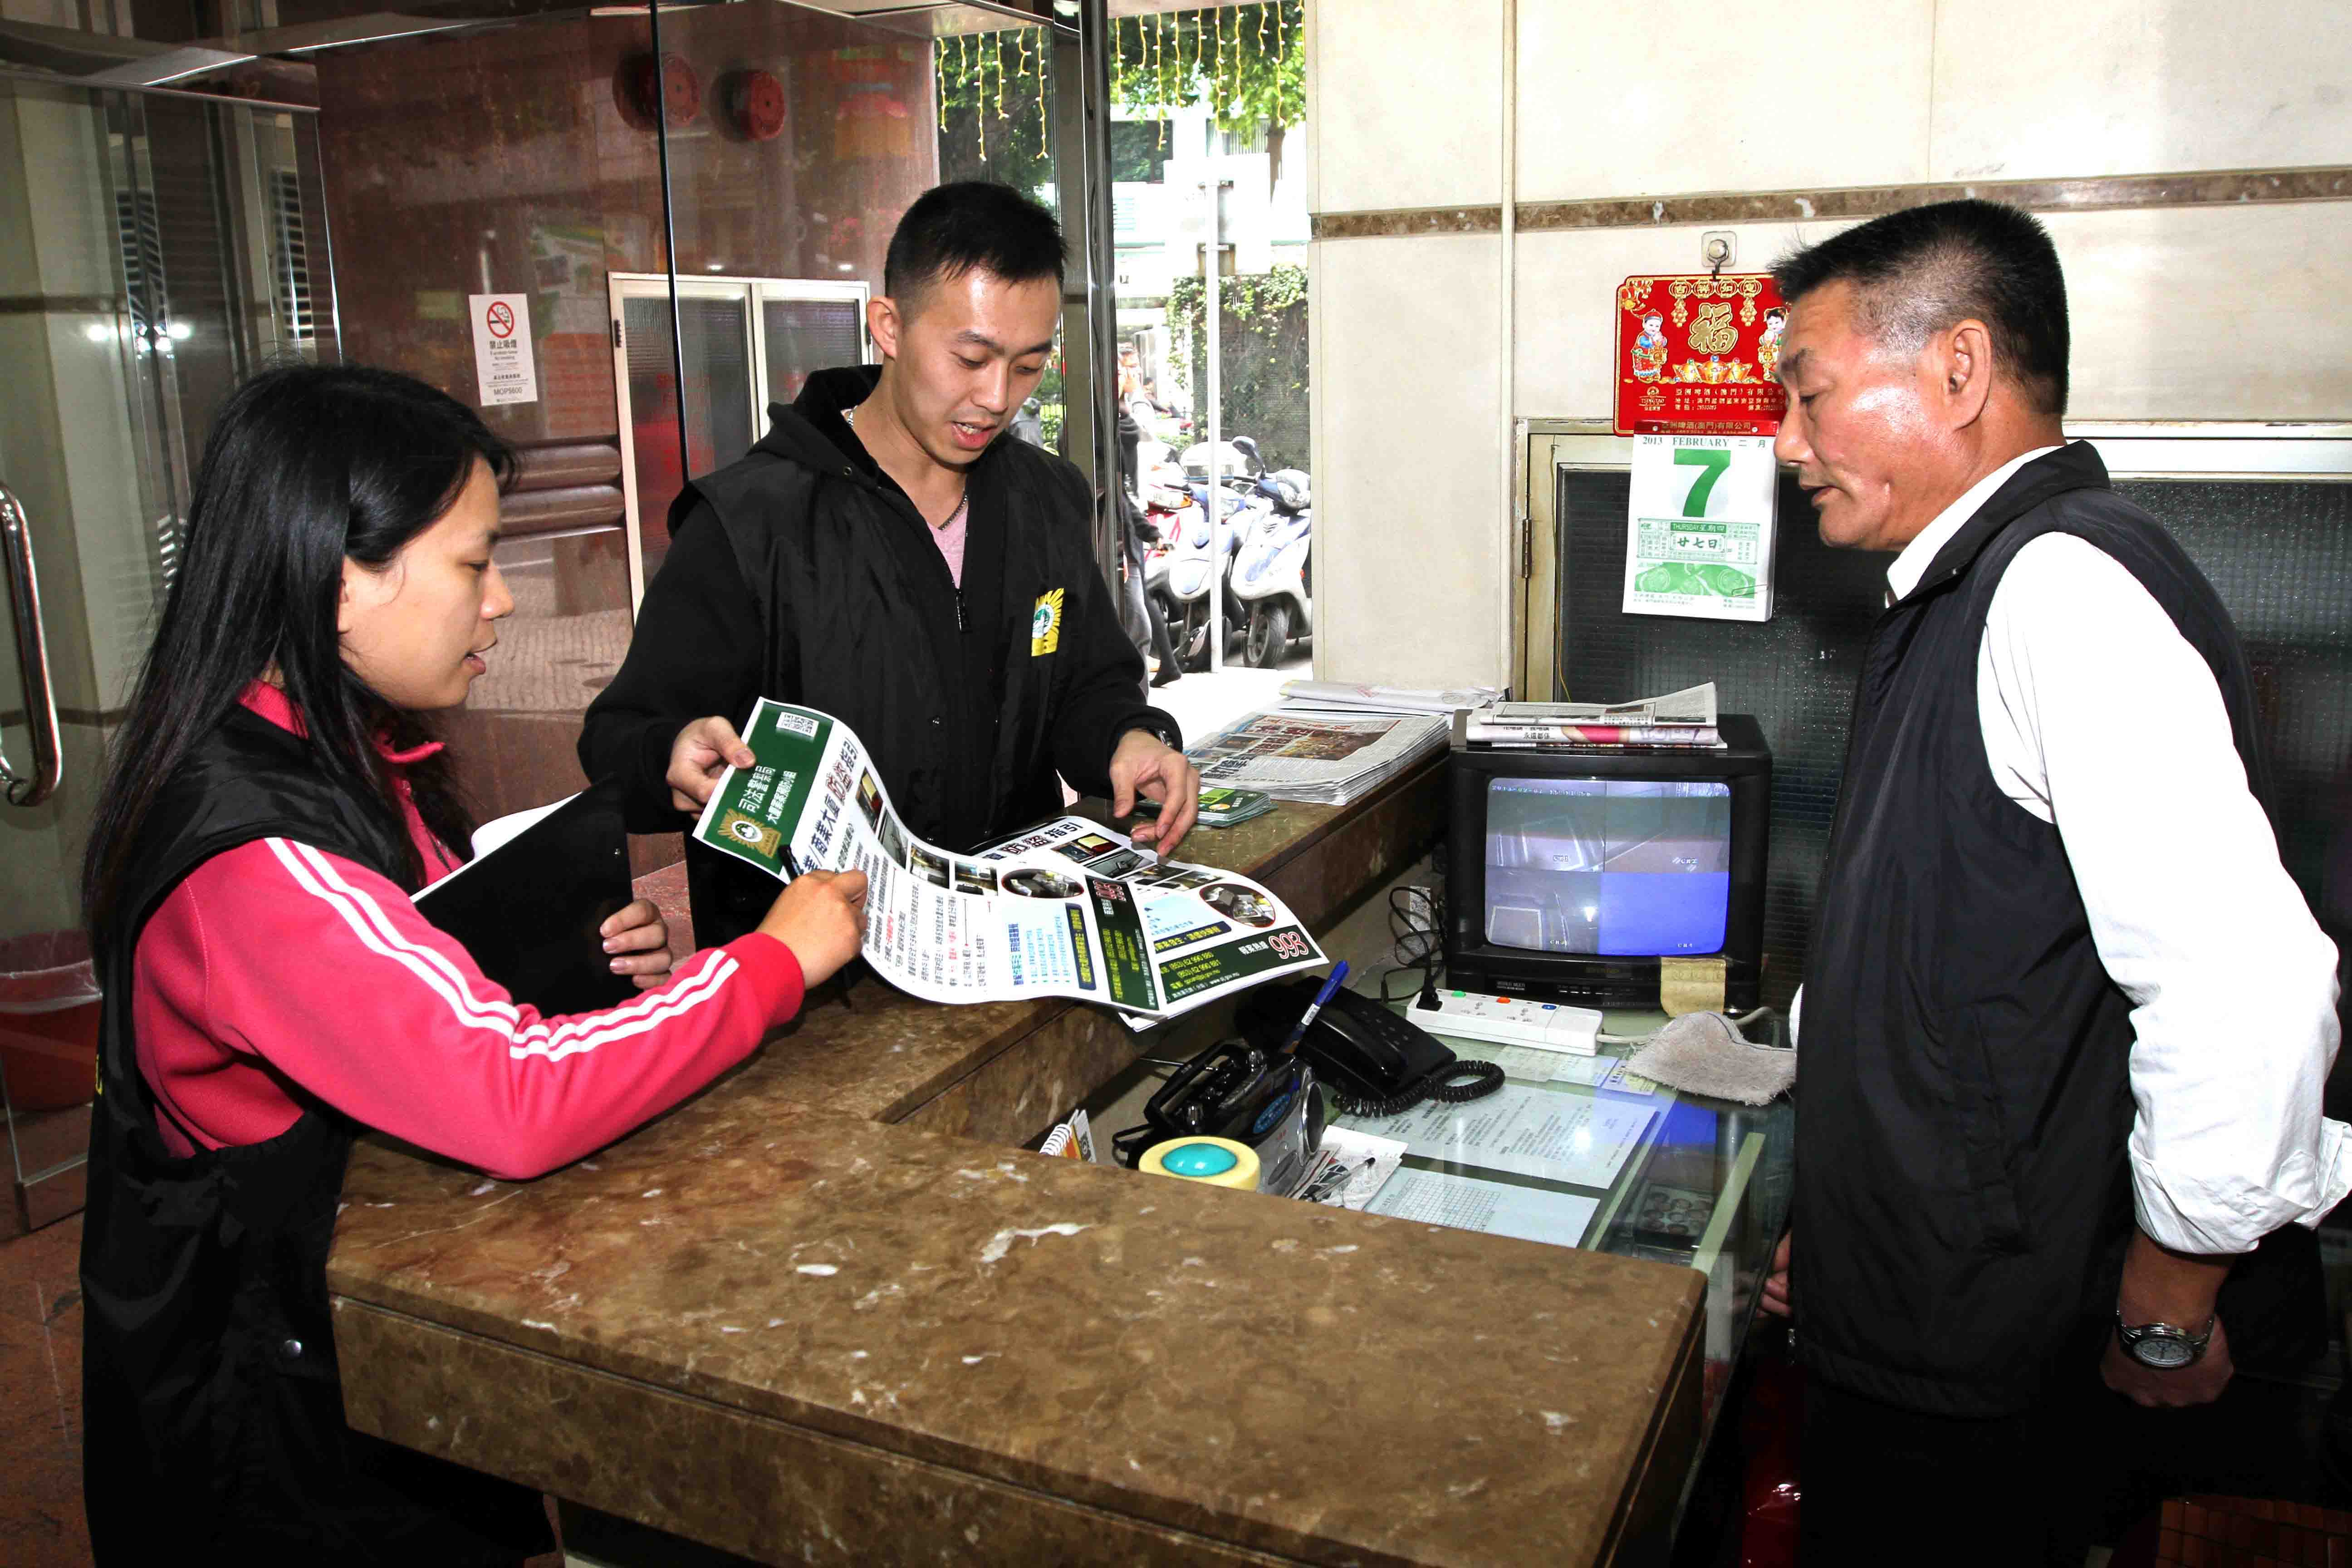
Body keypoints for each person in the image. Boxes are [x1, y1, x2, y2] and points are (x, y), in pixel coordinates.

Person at [77, 365, 870, 1562]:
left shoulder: (336, 748)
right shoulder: (252, 861)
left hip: (356, 1351)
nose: (502, 601)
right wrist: (766, 966)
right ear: (341, 578)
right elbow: (511, 1093)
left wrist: (579, 968)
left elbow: (421, 969)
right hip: (279, 1446)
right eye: (473, 562)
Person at [1759, 200, 2347, 1563]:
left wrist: (2168, 1304)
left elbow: (2248, 991)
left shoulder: (2060, 591)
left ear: (1958, 369)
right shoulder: (1967, 589)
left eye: (1810, 394)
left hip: (2001, 1366)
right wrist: (1847, 1236)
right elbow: (1963, 971)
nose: (1788, 444)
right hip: (1929, 1309)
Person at [579, 182, 1199, 947]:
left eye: (1029, 366)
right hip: (819, 980)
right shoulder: (750, 523)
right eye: (971, 359)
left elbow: (1087, 684)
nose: (996, 398)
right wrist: (667, 755)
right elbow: (618, 739)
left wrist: (1128, 739)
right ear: (889, 327)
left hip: (1010, 938)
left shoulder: (1047, 499)